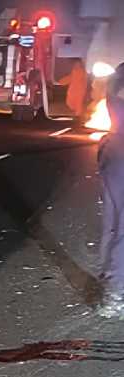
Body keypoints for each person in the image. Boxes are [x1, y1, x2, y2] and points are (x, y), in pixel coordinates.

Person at [97, 62, 124, 317]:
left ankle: (108, 281)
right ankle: (114, 295)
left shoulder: (117, 80)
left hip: (113, 151)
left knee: (112, 223)